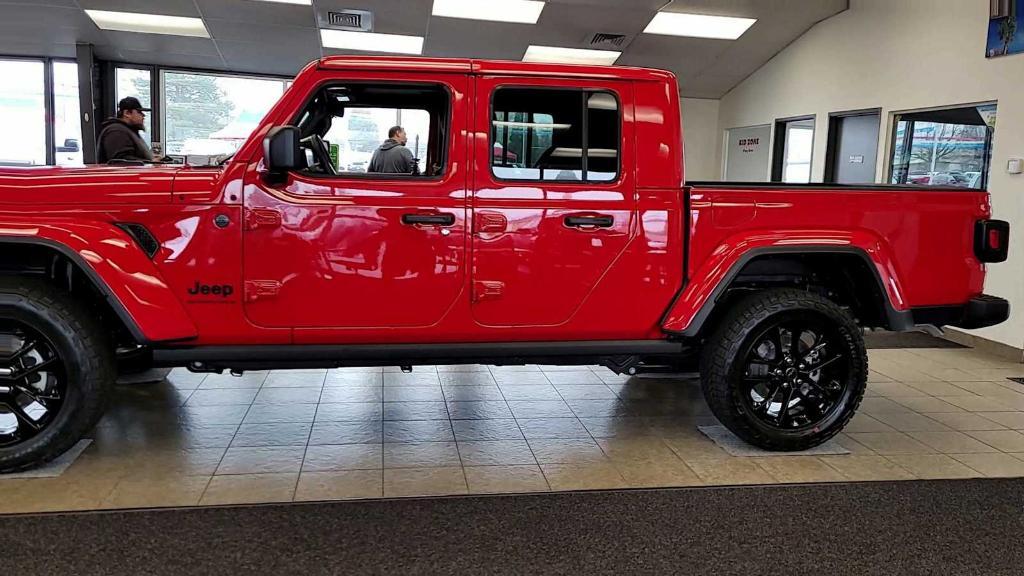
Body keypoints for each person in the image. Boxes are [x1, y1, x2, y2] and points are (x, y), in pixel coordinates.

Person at [97, 97, 155, 163]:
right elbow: (122, 162)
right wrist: (151, 162)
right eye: (139, 112)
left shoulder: (127, 131)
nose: (143, 115)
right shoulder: (117, 131)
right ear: (127, 113)